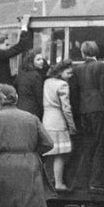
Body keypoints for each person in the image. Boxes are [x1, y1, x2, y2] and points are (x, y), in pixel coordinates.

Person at [69, 40, 104, 192]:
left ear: (83, 53)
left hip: (83, 109)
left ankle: (82, 181)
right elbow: (103, 89)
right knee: (100, 144)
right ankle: (97, 182)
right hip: (98, 108)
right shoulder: (100, 66)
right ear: (96, 52)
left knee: (88, 145)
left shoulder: (78, 69)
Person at [0, 15, 32, 112]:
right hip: (4, 96)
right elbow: (20, 47)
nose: (8, 48)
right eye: (6, 45)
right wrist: (24, 27)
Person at [42, 59, 77, 192]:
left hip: (47, 119)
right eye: (68, 73)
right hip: (58, 121)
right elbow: (66, 108)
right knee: (61, 154)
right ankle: (59, 183)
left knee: (49, 153)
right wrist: (72, 125)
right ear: (61, 72)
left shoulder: (47, 82)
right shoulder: (63, 85)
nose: (70, 76)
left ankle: (46, 182)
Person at [15, 51, 48, 120]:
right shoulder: (36, 76)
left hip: (20, 108)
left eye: (42, 59)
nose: (42, 61)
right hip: (33, 110)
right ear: (31, 61)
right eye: (38, 59)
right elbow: (39, 96)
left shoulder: (21, 74)